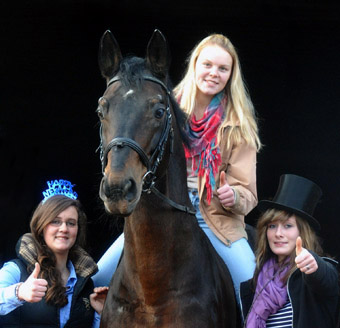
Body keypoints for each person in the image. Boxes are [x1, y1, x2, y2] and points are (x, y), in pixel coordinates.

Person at [93, 33, 262, 304]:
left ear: (231, 75)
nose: (213, 73)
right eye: (207, 65)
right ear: (194, 65)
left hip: (215, 219)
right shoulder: (161, 106)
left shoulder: (239, 125)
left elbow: (248, 193)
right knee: (94, 280)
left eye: (223, 68)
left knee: (252, 288)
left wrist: (235, 197)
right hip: (162, 211)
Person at [0, 179, 108, 328]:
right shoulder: (17, 270)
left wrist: (99, 316)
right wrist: (19, 292)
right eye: (55, 221)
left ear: (78, 229)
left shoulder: (85, 285)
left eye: (71, 223)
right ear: (41, 227)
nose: (63, 229)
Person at [240, 174, 340, 328]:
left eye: (287, 226)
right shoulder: (256, 285)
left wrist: (314, 264)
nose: (278, 233)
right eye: (272, 226)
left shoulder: (310, 273)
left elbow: (330, 281)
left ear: (301, 233)